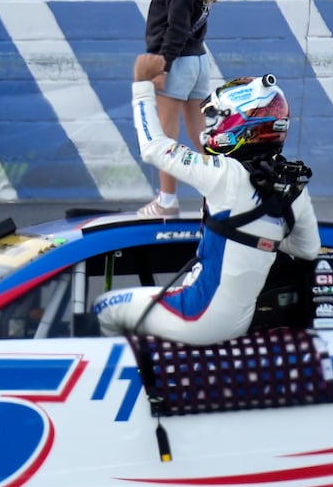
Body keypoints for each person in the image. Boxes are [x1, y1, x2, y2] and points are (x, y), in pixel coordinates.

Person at [97, 58, 319, 347]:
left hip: (197, 315)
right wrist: (262, 234)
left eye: (218, 118)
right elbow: (308, 249)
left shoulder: (225, 174)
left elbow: (153, 148)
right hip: (239, 324)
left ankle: (116, 382)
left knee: (106, 306)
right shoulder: (294, 187)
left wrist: (141, 85)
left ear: (244, 123)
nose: (210, 127)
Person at [137, 0, 230, 218]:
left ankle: (167, 200)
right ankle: (222, 188)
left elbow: (175, 29)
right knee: (201, 134)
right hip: (198, 62)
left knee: (165, 135)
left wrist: (161, 66)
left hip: (177, 62)